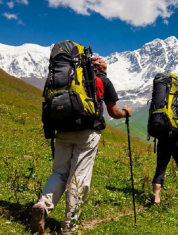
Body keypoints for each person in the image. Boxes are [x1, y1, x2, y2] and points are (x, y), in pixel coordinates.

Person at [30, 57, 132, 234]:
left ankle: (43, 205)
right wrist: (125, 113)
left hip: (62, 131)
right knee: (78, 177)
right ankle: (69, 225)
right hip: (87, 133)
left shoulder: (69, 79)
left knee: (59, 172)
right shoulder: (103, 80)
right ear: (103, 69)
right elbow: (114, 112)